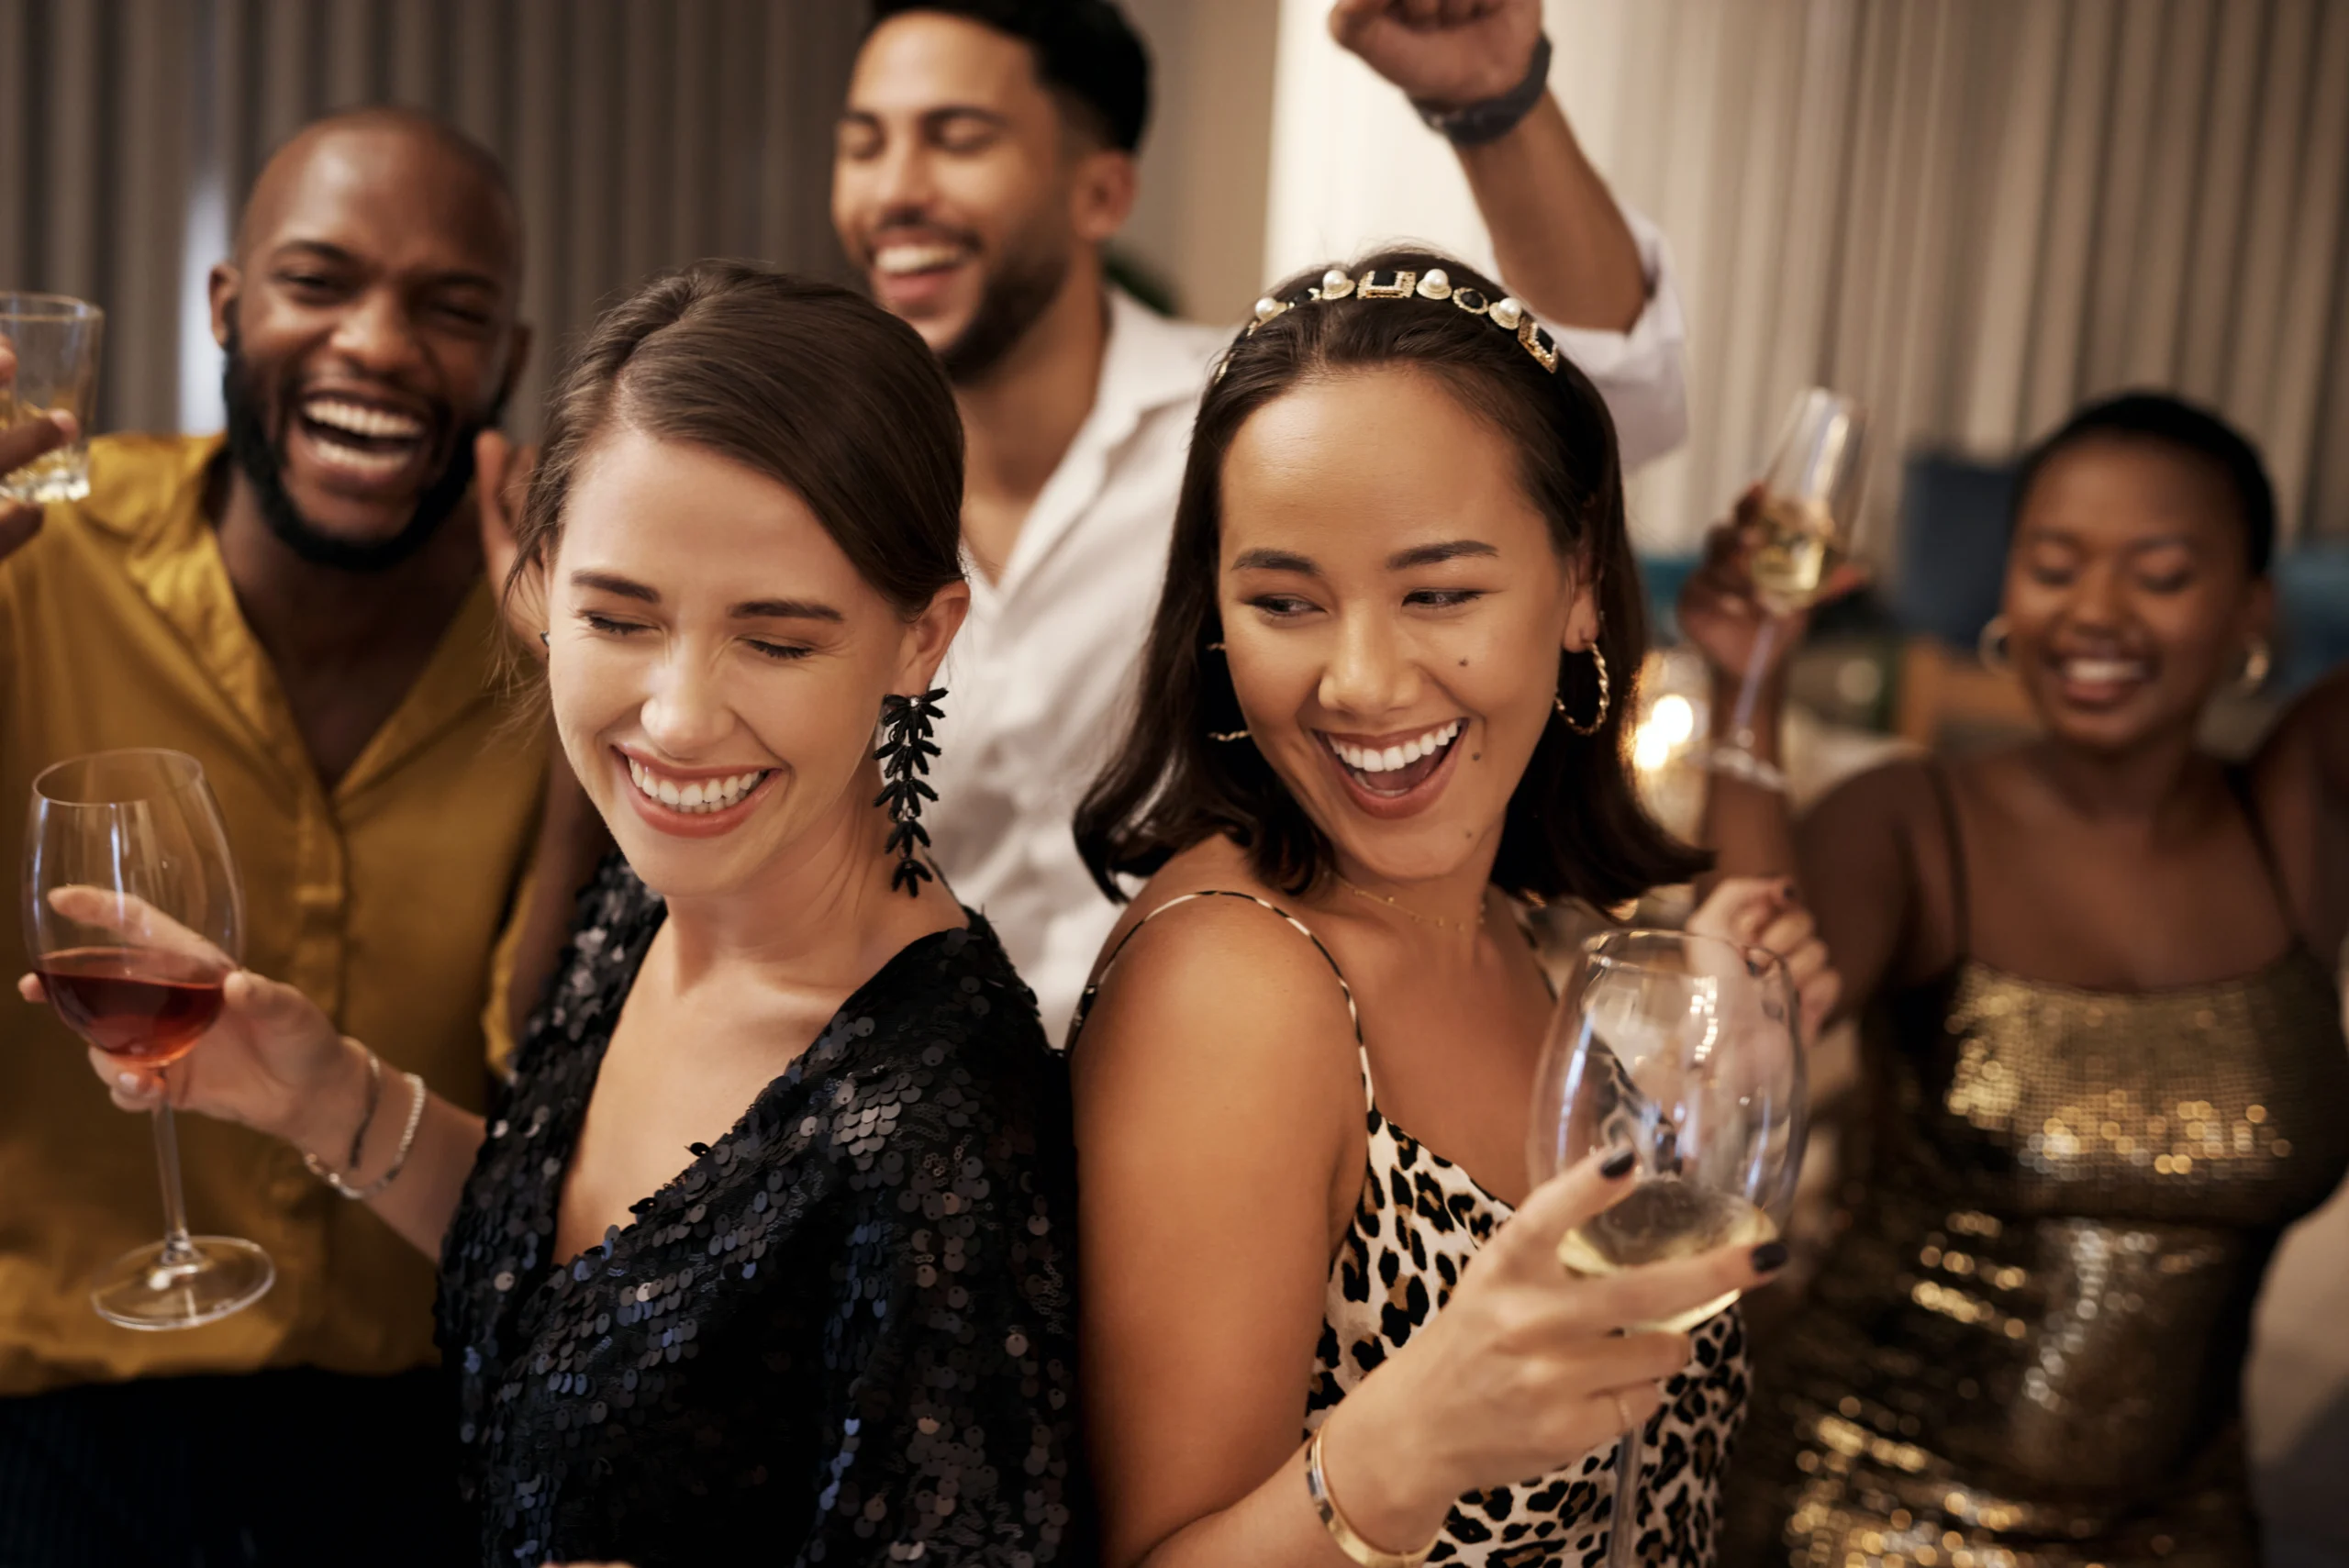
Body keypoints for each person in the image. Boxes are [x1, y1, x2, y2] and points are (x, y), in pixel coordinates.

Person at [67, 261, 1089, 1568]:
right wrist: (321, 1093)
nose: (675, 714)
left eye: (776, 640)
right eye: (619, 615)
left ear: (920, 637)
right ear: (542, 587)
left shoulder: (936, 1121)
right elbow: (591, 1302)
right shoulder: (645, 899)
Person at [1063, 247, 1838, 1568]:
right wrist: (1405, 1442)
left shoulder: (1528, 929)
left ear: (1581, 578)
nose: (1361, 682)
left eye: (1439, 593)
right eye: (1285, 601)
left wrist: (1711, 1092)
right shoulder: (1236, 993)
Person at [833, 0, 1691, 1041]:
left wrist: (1495, 105)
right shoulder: (823, 490)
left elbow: (1601, 396)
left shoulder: (1259, 426)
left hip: (1239, 1067)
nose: (894, 192)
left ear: (1100, 191)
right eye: (862, 144)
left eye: (956, 139)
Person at [0, 106, 575, 1563]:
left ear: (507, 361)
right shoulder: (37, 555)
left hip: (421, 1437)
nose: (379, 345)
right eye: (320, 281)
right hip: (57, 1429)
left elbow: (567, 1070)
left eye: (451, 309)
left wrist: (580, 684)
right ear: (225, 305)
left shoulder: (569, 636)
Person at [1678, 392, 2349, 1563]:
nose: (2095, 611)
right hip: (1858, 1506)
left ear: (2252, 609)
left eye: (2160, 571)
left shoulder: (2295, 820)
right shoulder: (1908, 820)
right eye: (2054, 564)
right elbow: (1743, 1034)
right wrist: (1748, 683)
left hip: (2182, 1530)